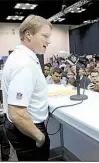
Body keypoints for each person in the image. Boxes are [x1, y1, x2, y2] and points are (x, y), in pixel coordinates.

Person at [2, 15, 52, 161]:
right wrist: (40, 137)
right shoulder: (24, 64)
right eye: (45, 36)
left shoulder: (21, 57)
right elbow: (17, 113)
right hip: (28, 130)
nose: (49, 41)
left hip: (22, 128)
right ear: (29, 35)